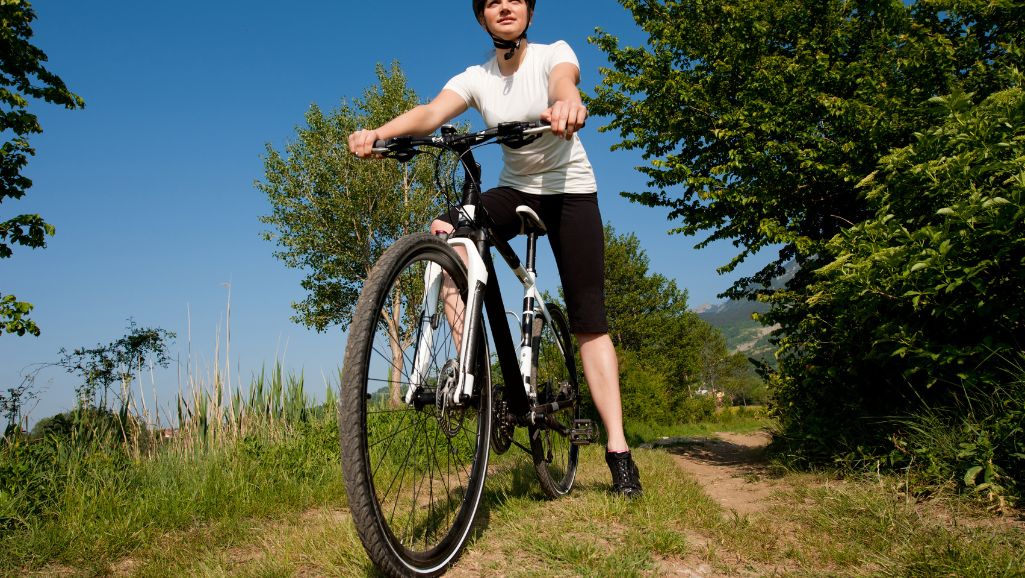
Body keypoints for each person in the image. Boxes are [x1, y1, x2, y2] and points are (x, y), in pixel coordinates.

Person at [348, 0, 642, 498]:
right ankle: (475, 375)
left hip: (570, 190)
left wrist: (567, 104)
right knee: (449, 237)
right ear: (481, 16)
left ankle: (618, 451)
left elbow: (563, 83)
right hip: (515, 190)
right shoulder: (477, 77)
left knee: (590, 320)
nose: (503, 6)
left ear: (528, 9)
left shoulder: (553, 54)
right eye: (491, 1)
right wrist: (381, 133)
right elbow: (430, 113)